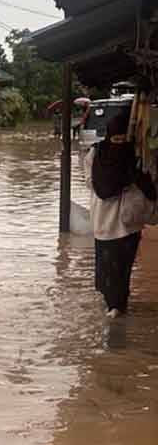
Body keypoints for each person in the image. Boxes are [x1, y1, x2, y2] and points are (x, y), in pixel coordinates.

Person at [84, 113, 156, 317]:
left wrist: (135, 180)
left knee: (123, 267)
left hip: (128, 223)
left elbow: (149, 186)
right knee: (106, 268)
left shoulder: (137, 157)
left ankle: (118, 306)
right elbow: (92, 183)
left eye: (123, 139)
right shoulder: (94, 155)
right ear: (108, 137)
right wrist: (121, 182)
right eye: (115, 139)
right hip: (104, 221)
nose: (119, 144)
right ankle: (112, 303)